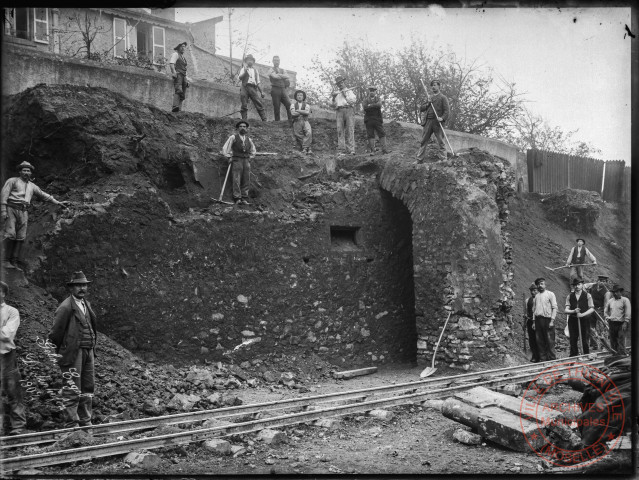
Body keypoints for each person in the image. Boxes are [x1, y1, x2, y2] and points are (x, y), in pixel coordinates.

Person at [48, 271, 98, 428]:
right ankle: (72, 425)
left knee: (87, 387)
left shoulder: (86, 304)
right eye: (78, 285)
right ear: (71, 288)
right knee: (72, 388)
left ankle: (86, 422)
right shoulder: (65, 307)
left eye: (84, 285)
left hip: (88, 351)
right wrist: (60, 353)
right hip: (72, 352)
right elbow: (56, 333)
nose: (82, 288)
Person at [1, 161, 68, 271]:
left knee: (21, 236)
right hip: (11, 208)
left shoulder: (32, 186)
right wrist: (3, 210)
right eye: (24, 170)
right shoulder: (12, 181)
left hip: (24, 211)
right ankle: (4, 261)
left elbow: (43, 195)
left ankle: (14, 261)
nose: (26, 172)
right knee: (10, 234)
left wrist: (57, 202)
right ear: (20, 171)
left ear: (31, 173)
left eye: (28, 171)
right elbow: (4, 195)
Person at [0, 281, 27, 435]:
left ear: (3, 293)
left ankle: (18, 426)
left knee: (13, 391)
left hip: (7, 356)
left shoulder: (12, 311)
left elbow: (7, 334)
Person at [222, 120, 257, 205]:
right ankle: (237, 198)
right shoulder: (233, 137)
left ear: (247, 129)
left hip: (246, 161)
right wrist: (229, 157)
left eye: (244, 127)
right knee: (236, 179)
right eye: (241, 126)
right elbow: (226, 148)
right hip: (237, 160)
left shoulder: (249, 139)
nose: (242, 128)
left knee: (246, 179)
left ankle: (244, 198)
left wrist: (250, 157)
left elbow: (253, 150)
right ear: (237, 128)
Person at [416, 80, 450, 162]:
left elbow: (447, 111)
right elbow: (421, 108)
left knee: (440, 141)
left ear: (439, 86)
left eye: (434, 85)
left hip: (437, 123)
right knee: (423, 141)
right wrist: (428, 103)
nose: (433, 87)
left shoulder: (443, 97)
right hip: (428, 122)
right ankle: (419, 160)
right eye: (432, 86)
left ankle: (443, 159)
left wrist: (442, 118)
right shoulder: (430, 98)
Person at [565, 278, 594, 357]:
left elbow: (592, 308)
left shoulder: (587, 295)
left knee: (585, 338)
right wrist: (573, 311)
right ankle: (574, 356)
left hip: (584, 320)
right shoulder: (570, 296)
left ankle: (585, 354)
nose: (577, 286)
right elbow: (566, 310)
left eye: (578, 284)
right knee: (573, 339)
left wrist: (582, 314)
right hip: (573, 320)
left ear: (582, 285)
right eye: (575, 285)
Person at [532, 277, 557, 362]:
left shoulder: (550, 294)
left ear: (545, 284)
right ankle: (543, 359)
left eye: (542, 283)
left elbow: (554, 308)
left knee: (550, 340)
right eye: (538, 284)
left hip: (548, 319)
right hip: (539, 320)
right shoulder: (536, 297)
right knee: (540, 341)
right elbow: (534, 311)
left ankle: (552, 359)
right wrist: (534, 322)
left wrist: (552, 320)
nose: (540, 286)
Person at [331, 75, 357, 156]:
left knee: (350, 129)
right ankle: (341, 150)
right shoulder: (336, 93)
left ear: (344, 82)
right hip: (339, 111)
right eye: (338, 84)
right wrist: (333, 98)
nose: (340, 84)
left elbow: (352, 101)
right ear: (337, 85)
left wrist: (345, 95)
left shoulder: (349, 91)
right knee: (340, 130)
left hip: (349, 110)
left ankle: (351, 150)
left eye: (341, 82)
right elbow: (332, 105)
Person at [584, 275, 611, 349]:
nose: (601, 282)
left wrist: (605, 316)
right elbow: (584, 286)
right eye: (600, 280)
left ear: (606, 282)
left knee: (602, 328)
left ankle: (604, 346)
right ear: (597, 280)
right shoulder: (593, 286)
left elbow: (606, 305)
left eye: (603, 281)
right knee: (591, 327)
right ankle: (594, 345)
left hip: (600, 310)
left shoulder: (607, 293)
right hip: (592, 308)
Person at [362, 86, 391, 155]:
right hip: (369, 120)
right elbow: (365, 107)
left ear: (375, 92)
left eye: (373, 91)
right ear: (369, 92)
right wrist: (374, 106)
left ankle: (384, 150)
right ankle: (373, 151)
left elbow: (379, 105)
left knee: (382, 133)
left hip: (377, 119)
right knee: (370, 135)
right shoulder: (365, 100)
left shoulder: (378, 99)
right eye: (370, 91)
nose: (372, 92)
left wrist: (370, 105)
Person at [238, 54, 267, 121]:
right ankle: (244, 120)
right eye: (248, 60)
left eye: (251, 60)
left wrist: (261, 92)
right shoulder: (243, 69)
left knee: (258, 103)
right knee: (244, 103)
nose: (250, 61)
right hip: (244, 86)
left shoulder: (255, 71)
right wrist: (245, 71)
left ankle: (264, 120)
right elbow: (240, 77)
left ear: (253, 62)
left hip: (253, 88)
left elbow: (258, 82)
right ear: (246, 61)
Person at [604, 285, 630, 356]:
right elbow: (605, 311)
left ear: (620, 292)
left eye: (617, 292)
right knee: (613, 340)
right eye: (614, 292)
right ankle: (615, 355)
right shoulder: (610, 301)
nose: (615, 293)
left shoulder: (625, 300)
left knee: (621, 339)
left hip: (621, 323)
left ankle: (622, 355)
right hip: (612, 323)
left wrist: (626, 322)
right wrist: (607, 317)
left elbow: (628, 312)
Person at [268, 56, 292, 122]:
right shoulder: (270, 69)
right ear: (273, 61)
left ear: (279, 61)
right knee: (277, 106)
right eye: (275, 60)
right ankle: (277, 122)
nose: (276, 62)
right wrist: (282, 76)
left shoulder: (283, 69)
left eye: (278, 60)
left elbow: (287, 76)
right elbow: (274, 77)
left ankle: (290, 120)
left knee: (289, 104)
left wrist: (279, 75)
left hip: (283, 89)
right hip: (275, 89)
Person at [290, 90, 312, 154]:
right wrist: (302, 112)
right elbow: (293, 114)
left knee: (309, 132)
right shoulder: (292, 105)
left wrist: (298, 111)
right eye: (298, 95)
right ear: (296, 97)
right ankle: (307, 148)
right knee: (298, 134)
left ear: (303, 97)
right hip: (297, 121)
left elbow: (307, 112)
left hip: (305, 120)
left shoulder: (307, 105)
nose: (299, 96)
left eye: (301, 95)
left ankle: (306, 148)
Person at [169, 42, 189, 113]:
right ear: (178, 48)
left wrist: (187, 79)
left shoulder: (183, 58)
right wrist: (174, 73)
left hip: (183, 76)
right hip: (178, 74)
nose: (183, 48)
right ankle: (175, 107)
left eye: (184, 47)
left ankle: (179, 109)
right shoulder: (175, 54)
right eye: (181, 47)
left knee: (183, 93)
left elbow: (184, 68)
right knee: (178, 90)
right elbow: (172, 64)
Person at [524, 282, 540, 363]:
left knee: (539, 338)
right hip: (530, 321)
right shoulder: (528, 300)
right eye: (532, 290)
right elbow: (527, 311)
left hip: (539, 321)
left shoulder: (541, 299)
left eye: (535, 290)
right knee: (532, 339)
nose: (533, 292)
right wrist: (526, 316)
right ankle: (534, 356)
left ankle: (542, 355)